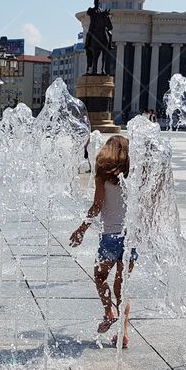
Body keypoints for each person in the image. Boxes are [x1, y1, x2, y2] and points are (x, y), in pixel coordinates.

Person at [69, 136, 136, 348]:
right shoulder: (133, 175)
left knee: (100, 276)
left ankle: (109, 312)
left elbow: (97, 206)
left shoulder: (103, 175)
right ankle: (123, 334)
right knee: (121, 286)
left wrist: (81, 229)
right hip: (131, 237)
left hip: (110, 237)